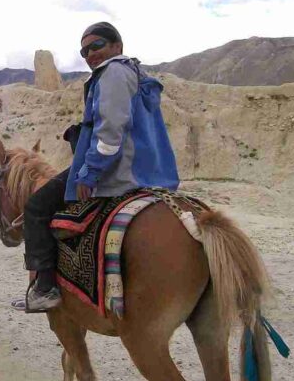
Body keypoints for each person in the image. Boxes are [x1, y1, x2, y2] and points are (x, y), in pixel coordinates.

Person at [23, 21, 180, 311]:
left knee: (36, 206)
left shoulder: (113, 73)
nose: (90, 54)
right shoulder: (134, 73)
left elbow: (111, 130)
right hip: (152, 171)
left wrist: (90, 172)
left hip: (118, 170)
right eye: (84, 51)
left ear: (117, 46)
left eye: (96, 46)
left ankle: (45, 288)